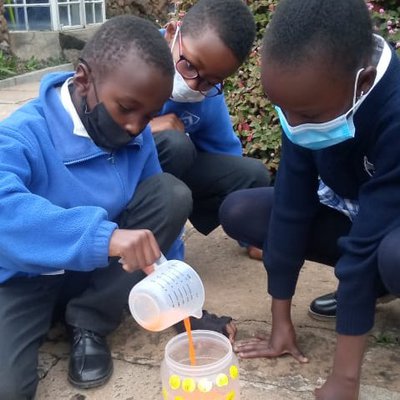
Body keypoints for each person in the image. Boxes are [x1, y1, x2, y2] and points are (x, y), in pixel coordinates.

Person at [0, 15, 193, 398]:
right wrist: (105, 237)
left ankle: (89, 321)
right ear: (84, 79)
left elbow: (158, 225)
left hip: (93, 276)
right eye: (126, 108)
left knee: (170, 194)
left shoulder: (135, 136)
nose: (137, 127)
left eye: (148, 116)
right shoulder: (21, 134)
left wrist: (183, 307)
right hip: (24, 279)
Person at [219, 0, 400, 398]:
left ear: (364, 82)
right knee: (243, 211)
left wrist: (344, 379)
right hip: (356, 211)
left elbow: (370, 239)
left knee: (391, 254)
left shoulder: (395, 111)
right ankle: (368, 288)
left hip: (390, 226)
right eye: (282, 109)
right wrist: (279, 321)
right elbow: (291, 206)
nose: (293, 125)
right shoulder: (307, 97)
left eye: (305, 115)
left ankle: (375, 286)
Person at [153, 0, 271, 262]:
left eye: (210, 81)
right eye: (189, 66)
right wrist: (145, 130)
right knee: (175, 144)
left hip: (171, 170)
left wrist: (249, 227)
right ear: (173, 33)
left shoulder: (208, 93)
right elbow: (90, 134)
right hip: (120, 172)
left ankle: (251, 235)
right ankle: (148, 232)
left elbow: (223, 150)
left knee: (252, 175)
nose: (195, 84)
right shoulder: (132, 57)